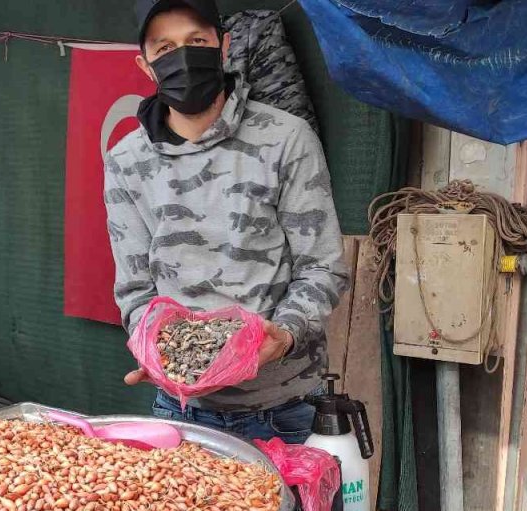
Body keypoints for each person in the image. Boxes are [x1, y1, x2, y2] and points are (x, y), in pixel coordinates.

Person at [104, 0, 348, 444]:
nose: (182, 56)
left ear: (224, 46)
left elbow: (322, 267)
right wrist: (153, 347)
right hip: (182, 409)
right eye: (165, 47)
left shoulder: (286, 138)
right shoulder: (126, 161)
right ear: (145, 65)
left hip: (286, 406)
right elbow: (135, 290)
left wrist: (286, 335)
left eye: (197, 41)